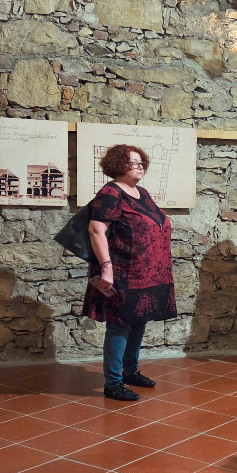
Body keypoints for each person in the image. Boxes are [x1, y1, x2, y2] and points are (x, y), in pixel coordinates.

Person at [85, 144, 177, 402]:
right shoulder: (111, 192)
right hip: (124, 271)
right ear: (118, 165)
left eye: (141, 162)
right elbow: (96, 230)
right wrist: (106, 267)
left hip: (147, 273)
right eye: (132, 162)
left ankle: (131, 371)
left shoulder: (141, 193)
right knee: (120, 324)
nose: (139, 167)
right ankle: (113, 383)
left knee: (139, 320)